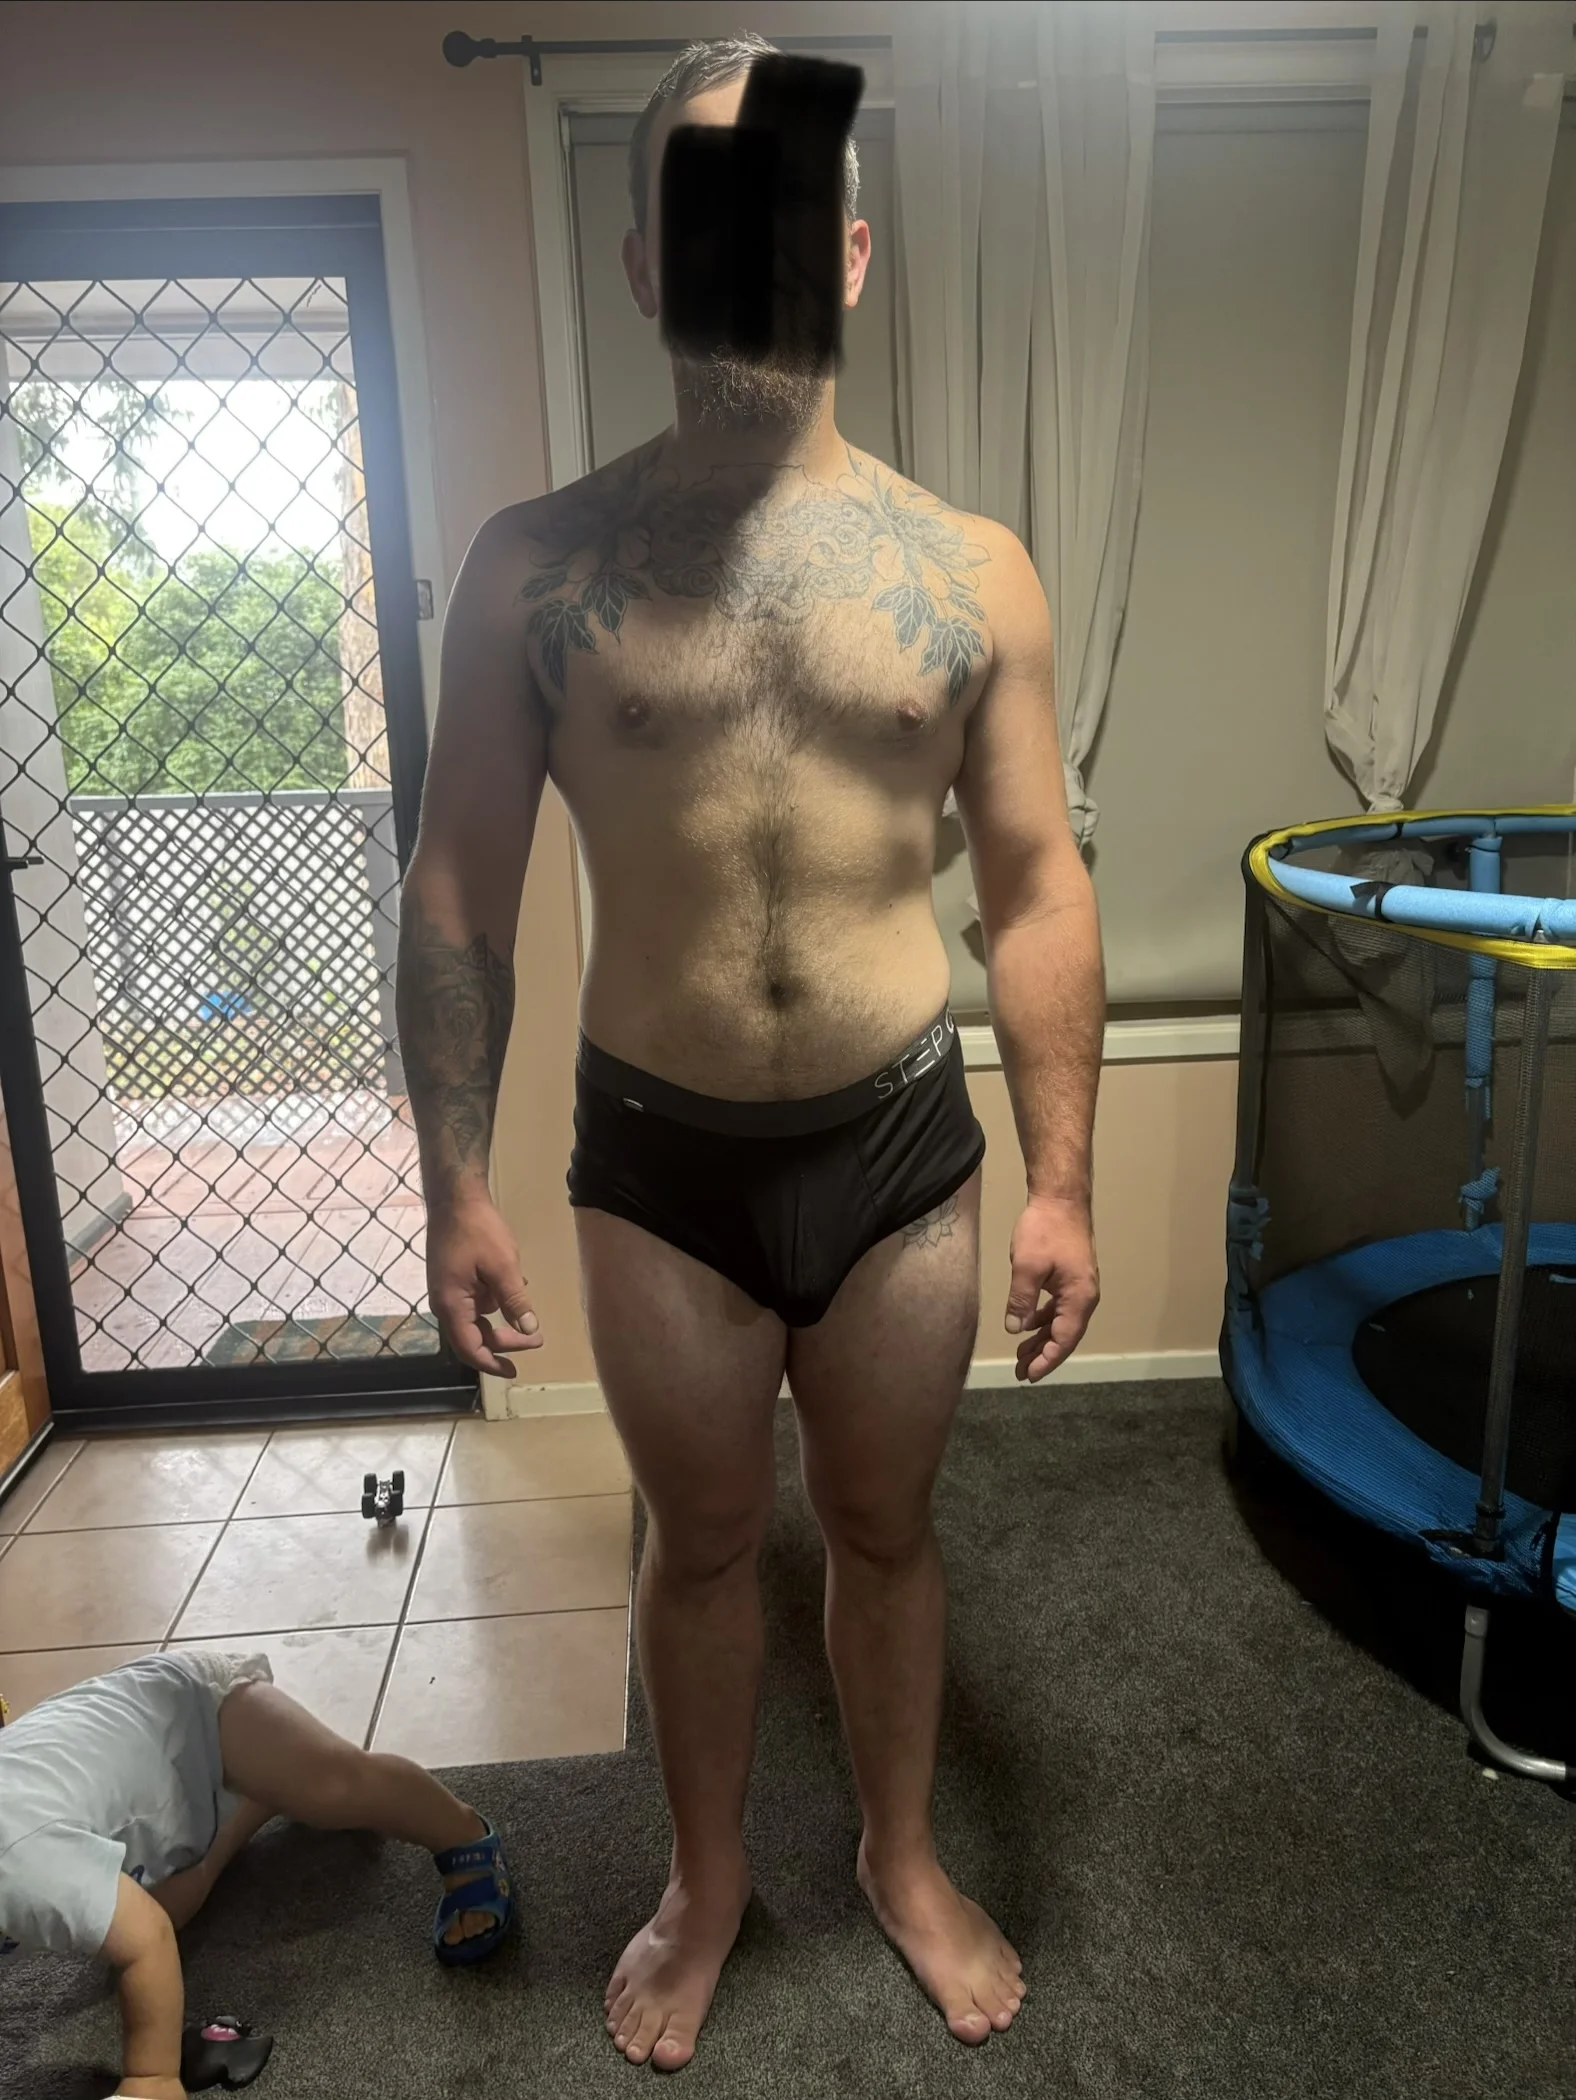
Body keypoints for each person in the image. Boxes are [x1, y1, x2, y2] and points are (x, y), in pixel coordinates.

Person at [397, 30, 1104, 2074]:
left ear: (848, 252)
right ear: (641, 262)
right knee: (701, 1546)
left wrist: (1062, 1180)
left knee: (883, 1531)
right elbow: (459, 884)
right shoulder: (537, 568)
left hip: (899, 1153)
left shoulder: (971, 574)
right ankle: (702, 1883)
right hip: (660, 1161)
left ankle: (898, 1855)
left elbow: (1034, 885)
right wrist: (454, 1182)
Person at [0, 1651, 512, 2099]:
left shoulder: (23, 1863)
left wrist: (151, 2079)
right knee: (165, 1907)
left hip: (196, 1711)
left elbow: (145, 1941)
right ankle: (256, 1796)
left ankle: (461, 1835)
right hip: (136, 1788)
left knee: (335, 1786)